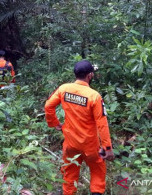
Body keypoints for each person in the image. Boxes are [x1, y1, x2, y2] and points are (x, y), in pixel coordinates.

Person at [44, 60, 115, 195]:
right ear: (90, 76)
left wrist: (54, 123)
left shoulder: (64, 89)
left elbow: (48, 106)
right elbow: (102, 123)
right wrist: (107, 148)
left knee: (69, 174)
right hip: (90, 146)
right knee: (98, 172)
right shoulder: (94, 96)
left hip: (70, 144)